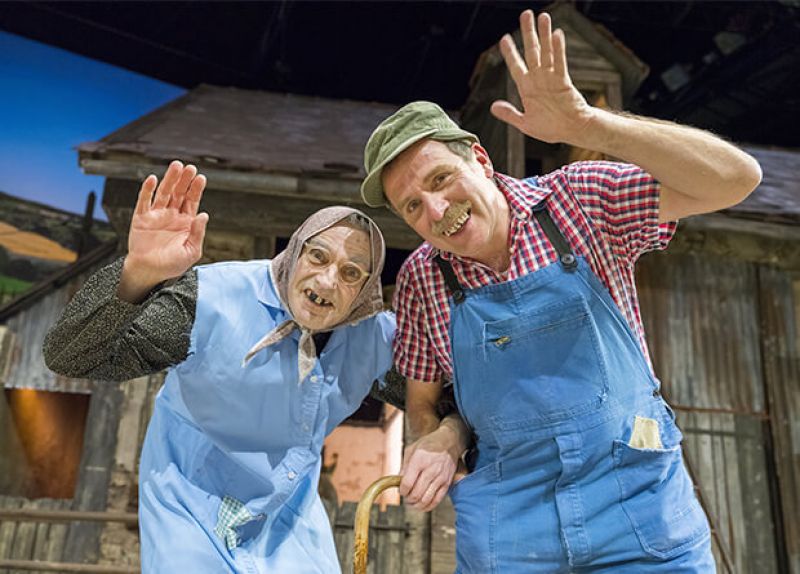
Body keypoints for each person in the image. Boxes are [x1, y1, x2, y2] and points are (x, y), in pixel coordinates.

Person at [360, 10, 762, 573]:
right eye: (411, 206)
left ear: (479, 157)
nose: (435, 211)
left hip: (638, 513)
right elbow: (423, 406)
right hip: (512, 531)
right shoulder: (425, 277)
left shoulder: (578, 201)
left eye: (439, 179)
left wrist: (592, 127)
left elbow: (736, 178)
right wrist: (440, 439)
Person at [43, 161, 398, 573]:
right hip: (193, 507)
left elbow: (446, 397)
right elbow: (70, 355)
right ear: (296, 251)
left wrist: (445, 432)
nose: (326, 281)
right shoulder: (211, 300)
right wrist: (139, 271)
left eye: (351, 273)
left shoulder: (372, 338)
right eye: (318, 256)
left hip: (287, 524)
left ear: (365, 292)